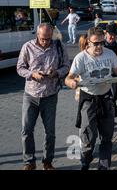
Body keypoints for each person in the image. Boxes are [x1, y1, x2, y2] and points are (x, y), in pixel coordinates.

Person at [65, 27, 117, 170]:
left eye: (102, 43)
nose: (99, 46)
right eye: (96, 43)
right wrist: (71, 82)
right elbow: (69, 77)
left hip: (106, 98)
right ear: (88, 42)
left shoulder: (110, 54)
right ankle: (86, 160)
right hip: (89, 99)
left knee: (107, 136)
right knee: (89, 136)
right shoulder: (81, 58)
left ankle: (104, 166)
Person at [17, 24, 70, 170]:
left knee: (50, 132)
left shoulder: (58, 46)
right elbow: (20, 68)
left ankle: (47, 162)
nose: (45, 42)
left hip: (50, 95)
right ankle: (29, 161)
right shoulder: (27, 47)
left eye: (48, 39)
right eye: (42, 39)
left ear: (51, 35)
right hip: (31, 95)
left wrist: (57, 73)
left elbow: (66, 66)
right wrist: (32, 74)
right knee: (26, 130)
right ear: (37, 36)